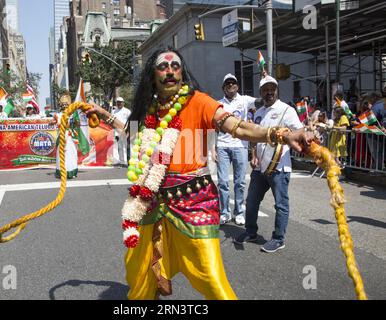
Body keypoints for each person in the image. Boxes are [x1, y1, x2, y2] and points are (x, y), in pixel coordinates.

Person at [84, 48, 313, 299]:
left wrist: (281, 134)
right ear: (152, 75)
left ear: (182, 72)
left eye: (175, 65)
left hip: (193, 200)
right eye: (163, 66)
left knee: (212, 278)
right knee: (137, 273)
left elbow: (238, 128)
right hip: (152, 200)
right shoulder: (149, 109)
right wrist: (104, 115)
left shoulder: (199, 101)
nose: (170, 70)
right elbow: (132, 133)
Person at [235, 75, 304, 253]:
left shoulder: (286, 110)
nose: (269, 92)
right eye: (265, 90)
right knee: (251, 202)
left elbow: (299, 130)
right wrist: (253, 155)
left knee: (281, 204)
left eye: (272, 89)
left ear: (277, 90)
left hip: (279, 167)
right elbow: (255, 138)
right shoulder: (258, 113)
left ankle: (278, 238)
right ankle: (251, 232)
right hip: (260, 167)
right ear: (260, 92)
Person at [213, 73, 260, 226]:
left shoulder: (245, 100)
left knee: (240, 182)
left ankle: (239, 212)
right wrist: (213, 148)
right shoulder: (218, 104)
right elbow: (213, 128)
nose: (231, 86)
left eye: (233, 83)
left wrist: (265, 78)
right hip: (222, 146)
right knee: (223, 182)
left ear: (237, 86)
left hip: (240, 146)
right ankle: (225, 212)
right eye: (228, 84)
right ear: (223, 88)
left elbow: (260, 101)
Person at [53, 94, 89, 179]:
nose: (64, 106)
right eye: (63, 104)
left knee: (70, 153)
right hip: (61, 135)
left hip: (70, 136)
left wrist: (76, 122)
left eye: (66, 104)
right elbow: (54, 122)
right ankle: (61, 172)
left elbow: (78, 123)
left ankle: (71, 172)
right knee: (61, 153)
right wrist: (54, 122)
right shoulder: (58, 114)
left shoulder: (73, 114)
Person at [111, 96, 131, 166]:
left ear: (123, 103)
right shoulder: (113, 111)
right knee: (118, 147)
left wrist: (128, 130)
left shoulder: (127, 111)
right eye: (118, 102)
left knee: (124, 147)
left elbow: (130, 120)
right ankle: (120, 161)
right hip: (116, 131)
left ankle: (125, 162)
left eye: (120, 102)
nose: (119, 104)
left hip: (124, 131)